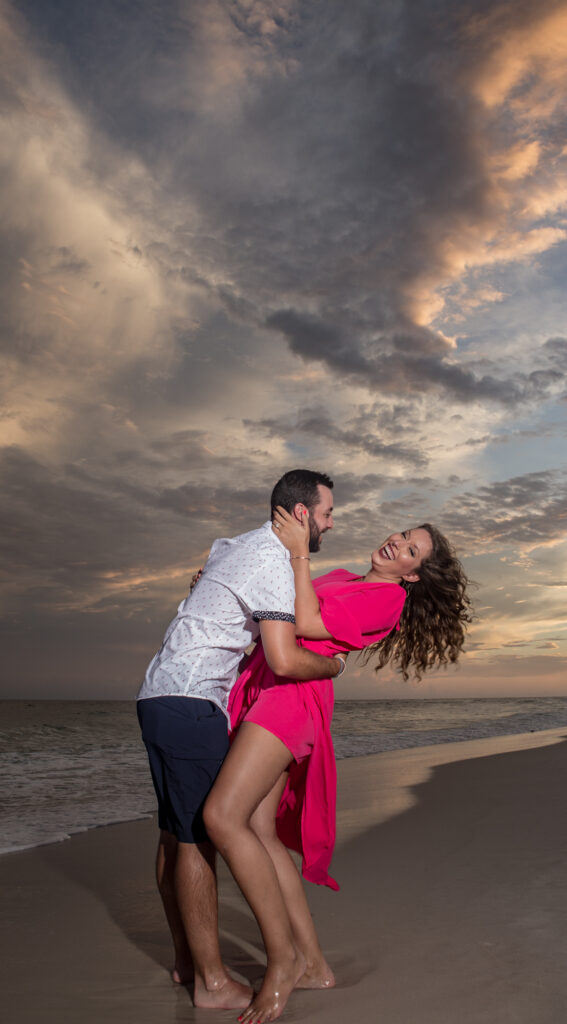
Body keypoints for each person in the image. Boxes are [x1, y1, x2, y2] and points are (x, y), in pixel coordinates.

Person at [203, 512, 472, 1024]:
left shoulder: (387, 600)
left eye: (411, 550)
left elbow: (303, 624)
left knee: (222, 816)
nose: (397, 543)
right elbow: (279, 604)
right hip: (270, 690)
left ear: (413, 575)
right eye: (403, 535)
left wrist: (299, 550)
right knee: (259, 828)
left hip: (292, 701)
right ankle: (314, 965)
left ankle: (282, 964)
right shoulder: (345, 579)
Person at [136, 470, 345, 1010]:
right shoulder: (273, 559)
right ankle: (213, 981)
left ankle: (187, 961)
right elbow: (282, 658)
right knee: (196, 840)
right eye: (325, 514)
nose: (329, 524)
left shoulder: (235, 545)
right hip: (193, 701)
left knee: (174, 831)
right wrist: (332, 667)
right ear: (302, 515)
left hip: (158, 694)